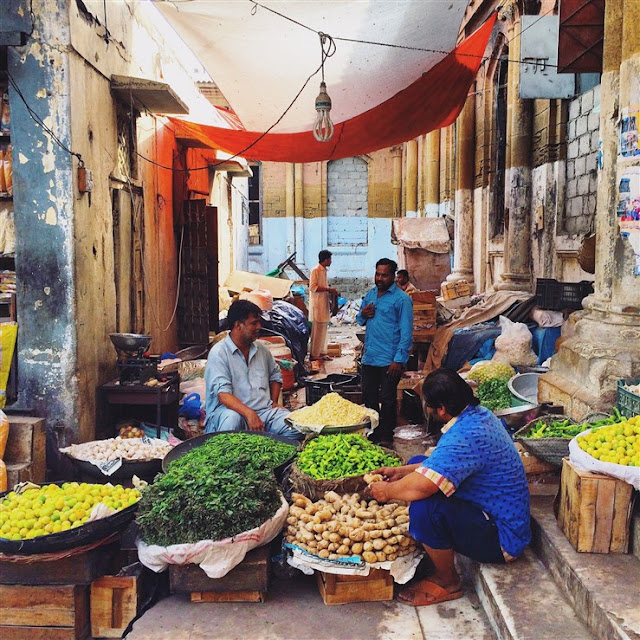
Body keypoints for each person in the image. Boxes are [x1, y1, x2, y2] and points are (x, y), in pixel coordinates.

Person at [368, 368, 531, 606]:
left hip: (502, 539)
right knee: (417, 464)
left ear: (441, 408)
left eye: (429, 405)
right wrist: (400, 473)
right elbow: (438, 465)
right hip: (488, 512)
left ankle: (449, 581)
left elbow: (423, 487)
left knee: (426, 509)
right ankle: (436, 548)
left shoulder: (467, 435)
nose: (429, 410)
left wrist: (386, 491)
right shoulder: (478, 415)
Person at [204, 299, 302, 440]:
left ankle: (266, 454)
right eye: (253, 323)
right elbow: (223, 395)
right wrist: (249, 414)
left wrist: (274, 402)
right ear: (238, 325)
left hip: (263, 412)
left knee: (296, 426)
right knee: (232, 419)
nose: (259, 327)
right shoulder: (219, 353)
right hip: (229, 414)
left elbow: (275, 375)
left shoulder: (262, 350)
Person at [356, 258, 413, 445]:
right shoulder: (370, 295)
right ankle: (373, 434)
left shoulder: (402, 300)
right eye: (377, 274)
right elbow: (359, 320)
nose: (380, 278)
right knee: (369, 397)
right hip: (370, 357)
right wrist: (363, 314)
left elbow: (406, 333)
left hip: (390, 360)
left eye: (384, 275)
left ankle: (387, 437)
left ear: (393, 277)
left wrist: (399, 359)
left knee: (388, 400)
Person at [309, 249, 338, 361]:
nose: (331, 261)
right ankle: (314, 354)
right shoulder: (315, 270)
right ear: (325, 259)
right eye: (330, 259)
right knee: (316, 331)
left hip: (324, 303)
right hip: (317, 304)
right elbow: (313, 287)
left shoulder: (324, 271)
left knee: (323, 330)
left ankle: (321, 353)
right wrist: (328, 289)